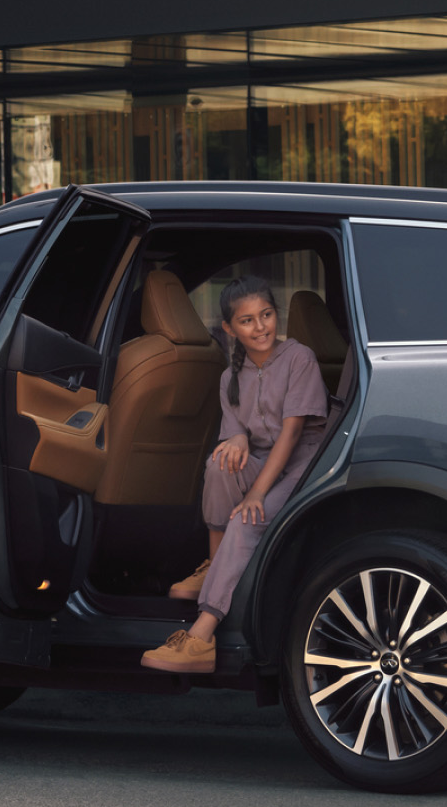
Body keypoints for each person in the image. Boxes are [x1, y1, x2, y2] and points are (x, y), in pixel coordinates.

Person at [141, 275, 329, 674]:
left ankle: (201, 636)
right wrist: (240, 438)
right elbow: (236, 428)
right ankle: (215, 564)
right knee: (219, 463)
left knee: (247, 517)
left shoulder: (299, 358)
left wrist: (256, 494)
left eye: (266, 315)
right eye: (247, 321)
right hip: (263, 457)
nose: (260, 327)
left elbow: (292, 434)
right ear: (229, 328)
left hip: (304, 462)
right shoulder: (230, 377)